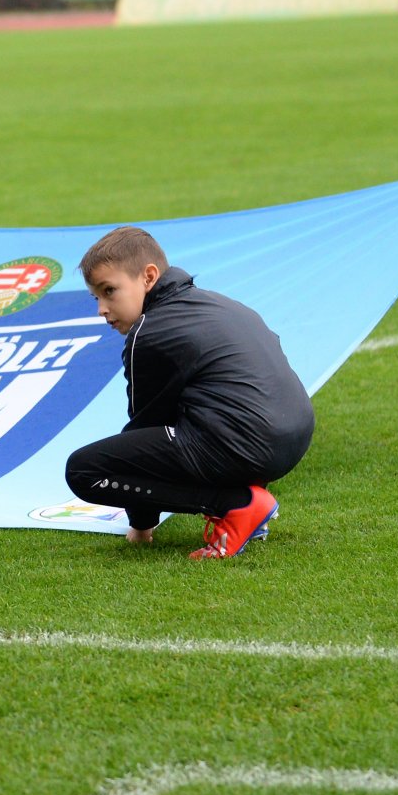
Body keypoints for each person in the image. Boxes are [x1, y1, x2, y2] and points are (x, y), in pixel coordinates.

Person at [64, 227, 314, 559]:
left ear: (148, 277)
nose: (102, 308)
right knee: (190, 422)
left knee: (84, 471)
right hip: (293, 439)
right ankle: (247, 503)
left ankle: (237, 505)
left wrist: (141, 525)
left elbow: (144, 429)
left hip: (246, 445)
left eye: (110, 291)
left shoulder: (148, 331)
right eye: (96, 297)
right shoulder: (220, 302)